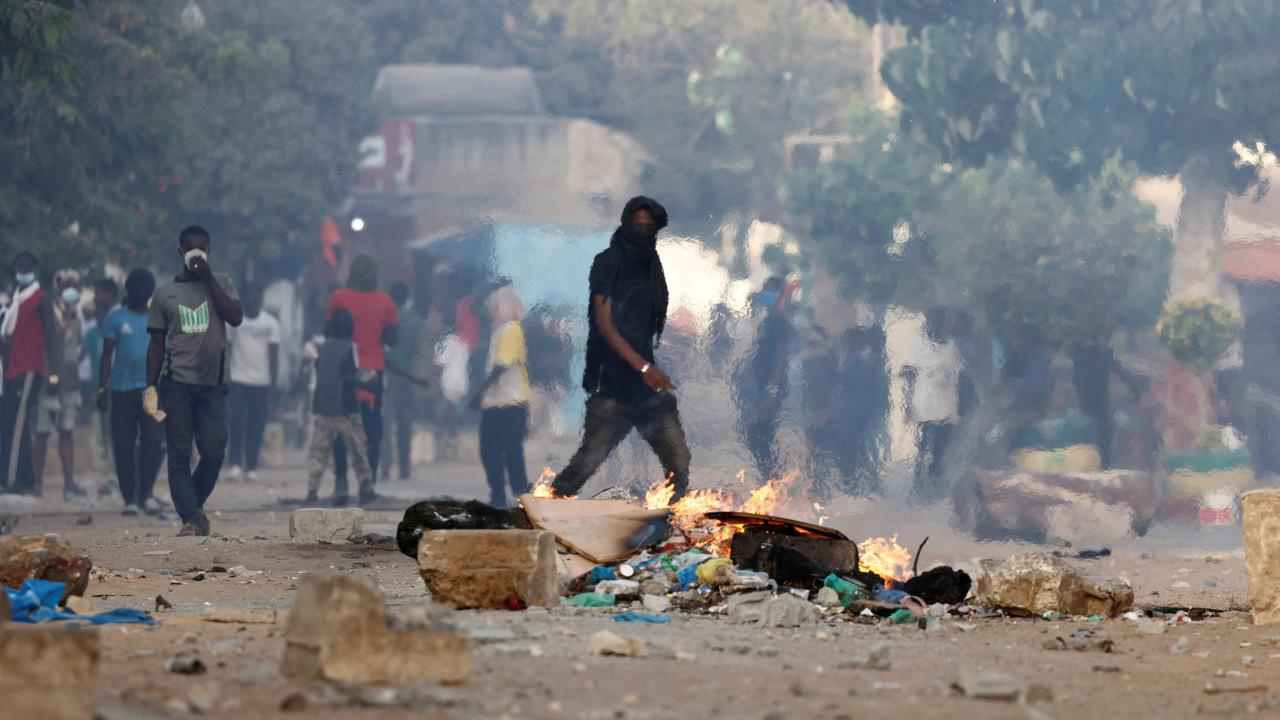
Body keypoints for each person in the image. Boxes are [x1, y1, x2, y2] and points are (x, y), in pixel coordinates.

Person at [551, 197, 691, 501]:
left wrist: (650, 367)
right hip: (613, 384)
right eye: (637, 225)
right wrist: (643, 367)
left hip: (645, 387)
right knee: (586, 463)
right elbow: (604, 323)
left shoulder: (651, 265)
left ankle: (674, 523)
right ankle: (546, 514)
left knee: (679, 462)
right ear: (626, 224)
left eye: (649, 227)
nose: (643, 232)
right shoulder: (607, 262)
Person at [147, 225, 243, 536]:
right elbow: (157, 343)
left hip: (213, 385)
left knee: (214, 451)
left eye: (202, 248)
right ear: (180, 252)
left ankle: (193, 506)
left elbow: (236, 317)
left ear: (209, 251)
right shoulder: (164, 294)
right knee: (178, 454)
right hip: (176, 384)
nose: (196, 254)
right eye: (190, 249)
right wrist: (150, 386)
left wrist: (208, 278)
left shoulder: (223, 283)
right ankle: (191, 518)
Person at [326, 254, 397, 505]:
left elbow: (328, 332)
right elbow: (392, 339)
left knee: (341, 431)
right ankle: (368, 485)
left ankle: (341, 483)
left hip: (343, 373)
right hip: (372, 374)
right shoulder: (385, 302)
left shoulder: (339, 298)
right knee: (371, 432)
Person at [100, 269, 164, 516]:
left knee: (154, 441)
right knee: (124, 444)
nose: (140, 292)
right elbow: (107, 354)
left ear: (150, 292)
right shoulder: (116, 318)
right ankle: (130, 499)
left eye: (145, 288)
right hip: (122, 390)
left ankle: (146, 493)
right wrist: (102, 386)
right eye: (136, 288)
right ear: (129, 290)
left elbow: (166, 353)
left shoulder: (159, 319)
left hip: (152, 391)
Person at [0, 252, 57, 495]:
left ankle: (10, 480)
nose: (22, 271)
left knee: (16, 424)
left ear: (33, 269)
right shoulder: (14, 300)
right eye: (19, 267)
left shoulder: (40, 299)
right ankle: (25, 479)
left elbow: (51, 336)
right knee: (14, 424)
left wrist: (53, 373)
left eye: (27, 267)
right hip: (12, 368)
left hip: (30, 367)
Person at [304, 309, 373, 504]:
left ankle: (312, 490)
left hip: (323, 407)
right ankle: (366, 488)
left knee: (318, 452)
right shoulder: (350, 348)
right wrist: (368, 381)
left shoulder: (324, 348)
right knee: (358, 450)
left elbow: (319, 367)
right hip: (346, 408)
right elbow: (351, 375)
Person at [472, 285, 531, 507]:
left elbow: (502, 366)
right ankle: (502, 494)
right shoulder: (498, 330)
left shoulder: (511, 329)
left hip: (511, 400)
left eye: (496, 305)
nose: (492, 309)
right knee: (493, 451)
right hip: (496, 401)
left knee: (508, 450)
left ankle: (519, 494)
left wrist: (479, 393)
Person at [32, 270, 86, 499]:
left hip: (70, 383)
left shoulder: (76, 315)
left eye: (75, 285)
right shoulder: (48, 312)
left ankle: (69, 485)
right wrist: (51, 375)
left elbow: (77, 348)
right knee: (42, 432)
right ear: (59, 287)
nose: (72, 288)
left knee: (67, 431)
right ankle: (36, 484)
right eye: (67, 285)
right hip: (48, 382)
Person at [901, 307, 962, 501]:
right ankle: (917, 490)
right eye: (933, 320)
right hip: (924, 407)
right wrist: (908, 404)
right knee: (922, 450)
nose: (936, 324)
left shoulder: (951, 347)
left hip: (945, 409)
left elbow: (956, 380)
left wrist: (956, 408)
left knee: (939, 453)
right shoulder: (918, 345)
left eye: (940, 320)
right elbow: (909, 376)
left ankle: (935, 490)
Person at [736, 277, 793, 480]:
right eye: (765, 291)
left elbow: (781, 357)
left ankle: (772, 479)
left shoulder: (778, 321)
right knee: (755, 434)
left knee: (761, 433)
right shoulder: (766, 319)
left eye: (771, 292)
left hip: (769, 387)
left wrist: (772, 388)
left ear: (779, 295)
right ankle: (768, 479)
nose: (766, 296)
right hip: (758, 385)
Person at [225, 283, 280, 483]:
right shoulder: (234, 322)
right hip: (238, 379)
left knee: (256, 425)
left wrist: (273, 385)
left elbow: (274, 356)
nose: (252, 299)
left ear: (261, 298)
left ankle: (251, 466)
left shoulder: (271, 324)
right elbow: (228, 350)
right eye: (249, 295)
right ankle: (235, 464)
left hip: (261, 381)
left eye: (256, 295)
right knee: (237, 421)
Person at [384, 281, 427, 481]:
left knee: (384, 423)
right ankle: (404, 469)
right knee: (404, 423)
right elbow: (419, 349)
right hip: (407, 377)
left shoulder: (383, 319)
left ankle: (383, 468)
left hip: (384, 376)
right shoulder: (415, 321)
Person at [84, 277, 119, 469]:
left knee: (118, 424)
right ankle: (110, 462)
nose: (95, 297)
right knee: (106, 424)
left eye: (98, 293)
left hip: (120, 382)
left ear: (109, 295)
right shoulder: (102, 323)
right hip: (105, 383)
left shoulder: (119, 316)